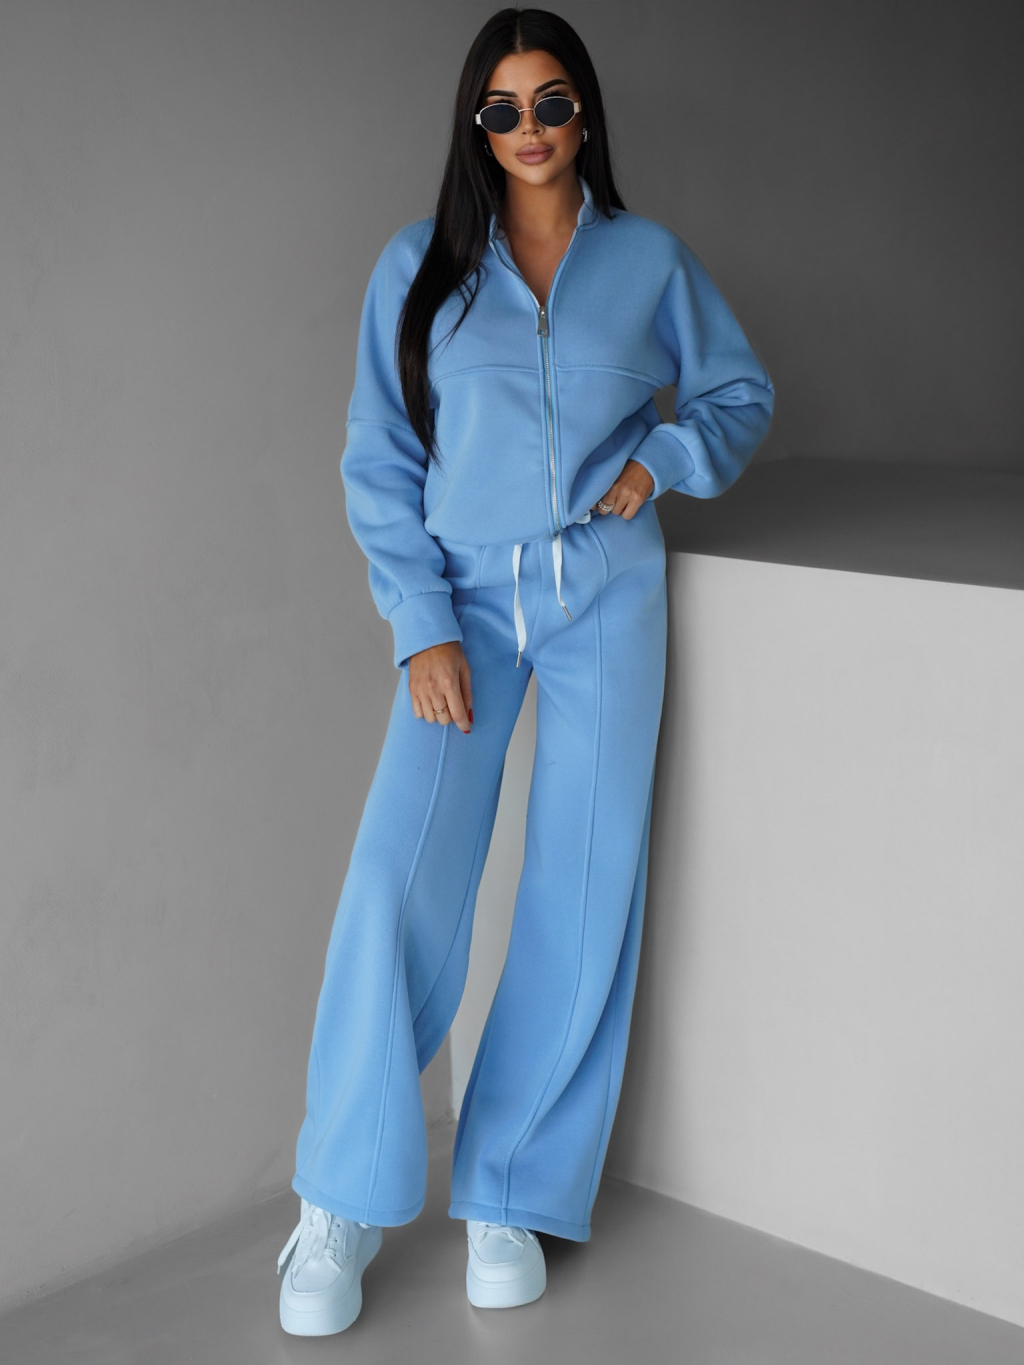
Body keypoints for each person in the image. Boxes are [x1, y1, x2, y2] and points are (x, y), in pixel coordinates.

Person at [276, 5, 774, 1336]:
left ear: (585, 112)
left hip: (606, 591)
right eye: (503, 109)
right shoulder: (422, 266)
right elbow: (379, 457)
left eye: (552, 102)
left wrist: (660, 462)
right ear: (476, 125)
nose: (531, 128)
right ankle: (339, 1198)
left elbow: (737, 395)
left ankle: (510, 1188)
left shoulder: (648, 260)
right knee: (397, 879)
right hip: (465, 605)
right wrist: (420, 623)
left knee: (583, 882)